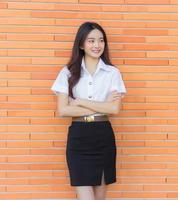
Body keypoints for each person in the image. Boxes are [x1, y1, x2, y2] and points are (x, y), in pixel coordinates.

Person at [50, 22, 126, 200]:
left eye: (101, 40)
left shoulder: (112, 73)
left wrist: (79, 102)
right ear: (81, 44)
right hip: (78, 139)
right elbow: (63, 110)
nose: (97, 45)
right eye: (91, 41)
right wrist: (101, 107)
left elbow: (114, 109)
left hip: (103, 137)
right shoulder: (67, 73)